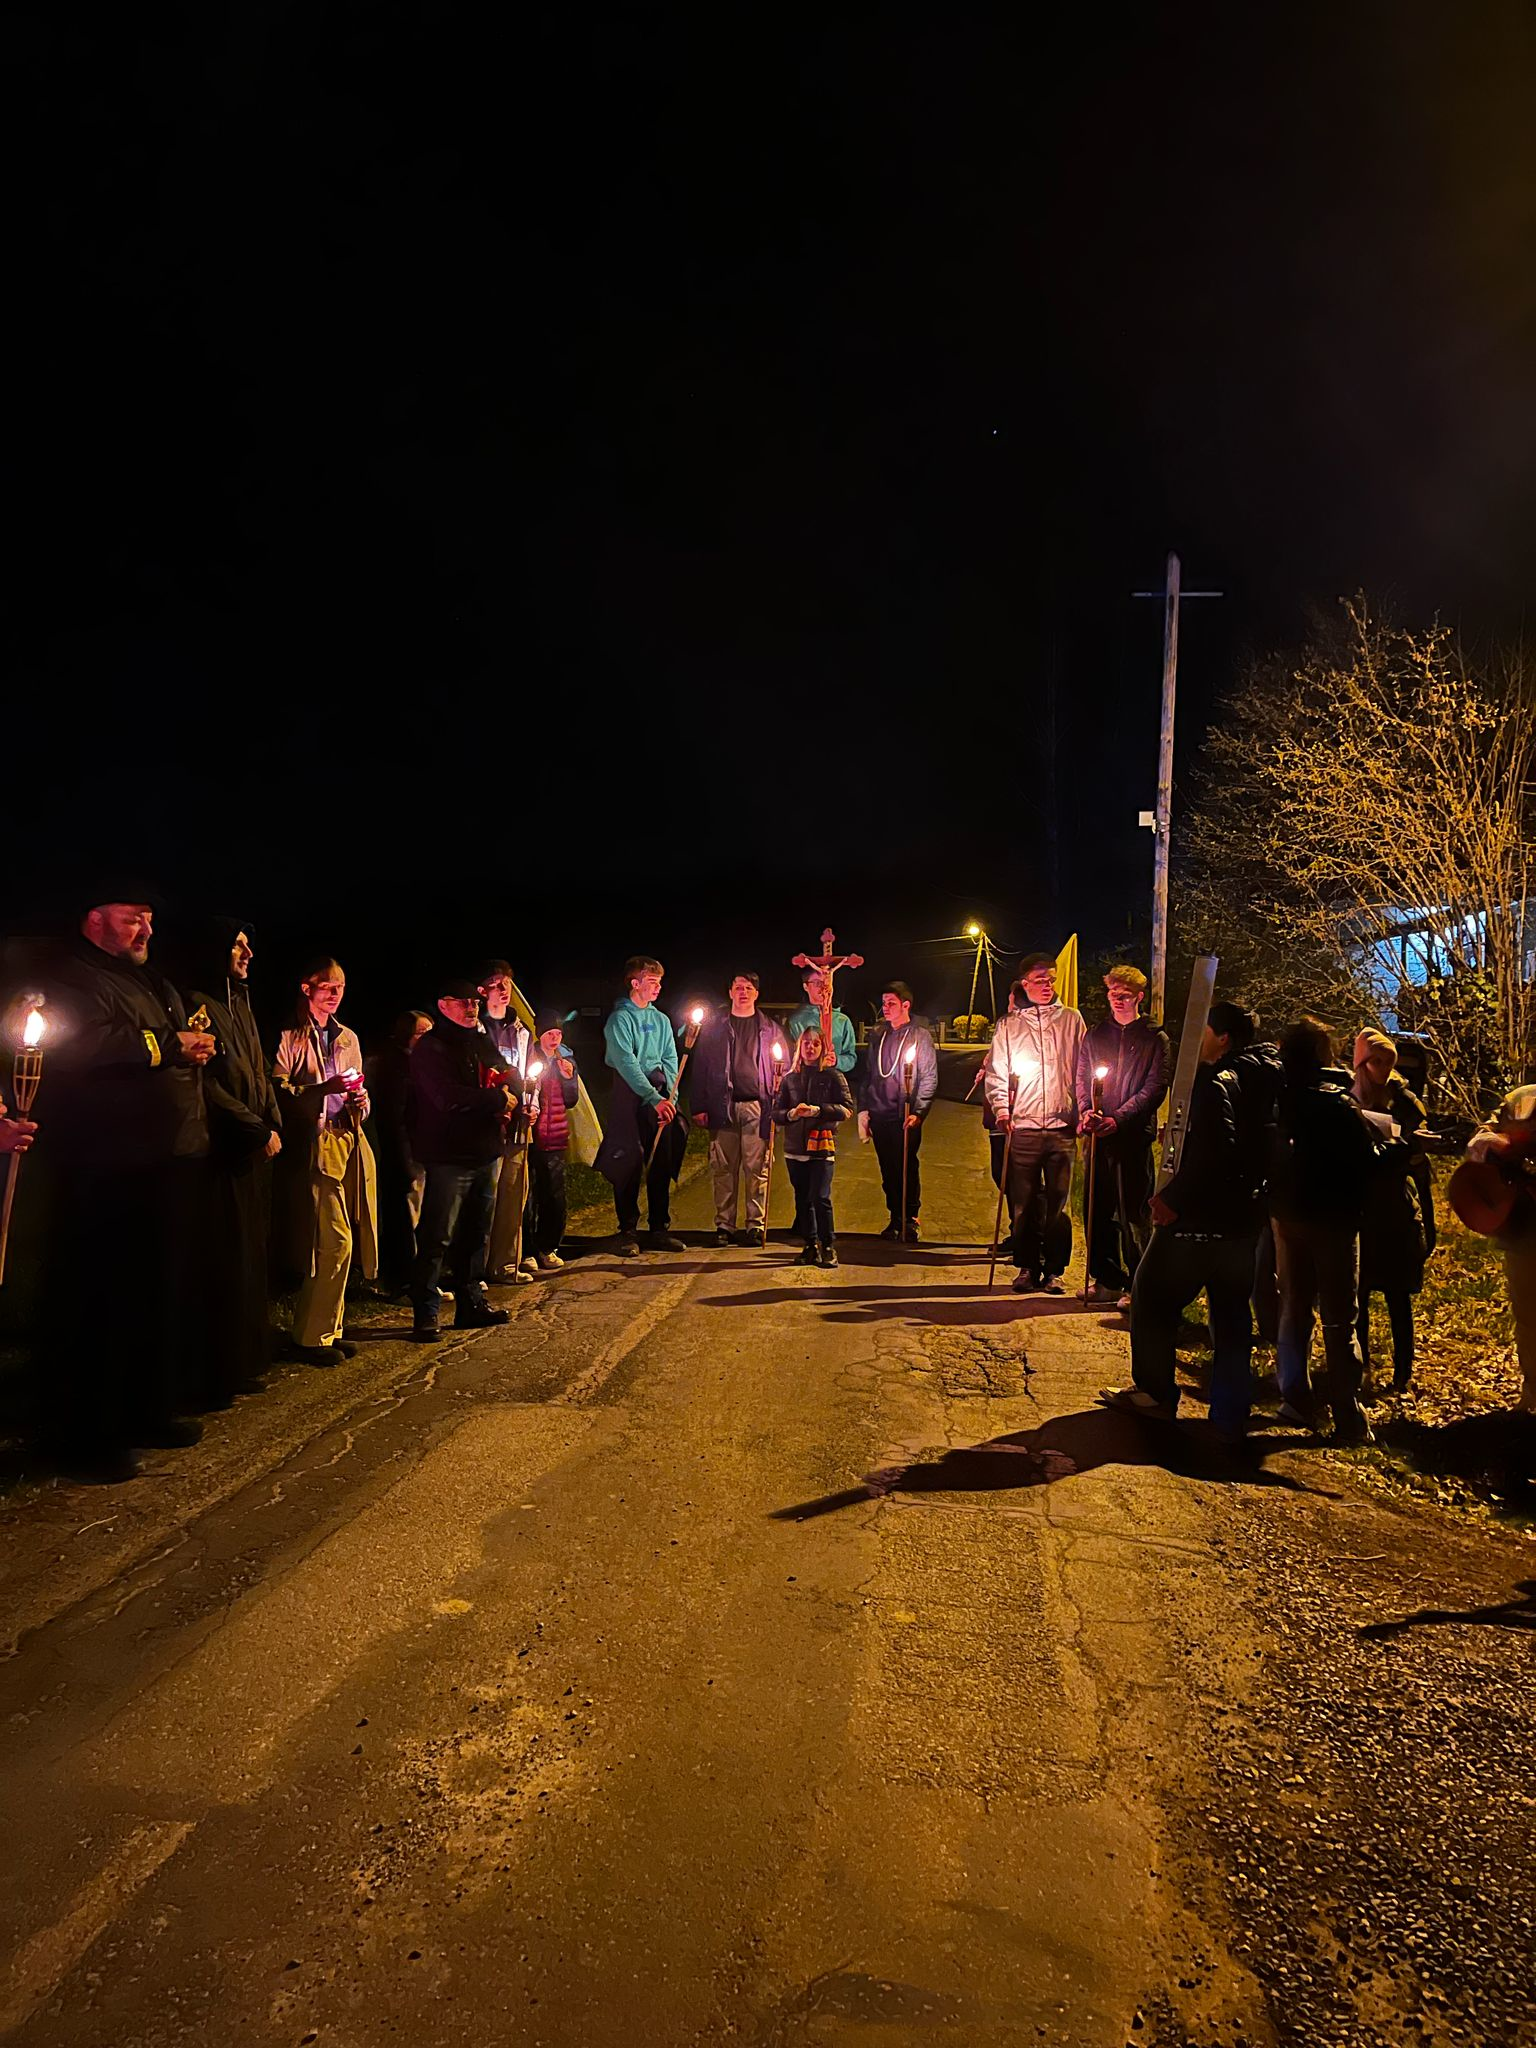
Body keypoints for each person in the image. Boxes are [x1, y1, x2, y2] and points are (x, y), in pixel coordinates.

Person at [32, 889, 215, 1481]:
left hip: (157, 1161)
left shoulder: (152, 981)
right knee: (100, 1299)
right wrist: (167, 1047)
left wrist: (191, 1047)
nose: (145, 931)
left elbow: (169, 1035)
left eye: (150, 920)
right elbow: (83, 1045)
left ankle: (147, 1409)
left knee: (152, 1292)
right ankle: (89, 1435)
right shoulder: (69, 976)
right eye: (133, 919)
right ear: (94, 919)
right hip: (100, 1165)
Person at [1100, 1002, 1262, 1443]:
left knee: (1150, 1293)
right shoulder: (1261, 1077)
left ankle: (1153, 1392)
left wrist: (1174, 1197)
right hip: (1245, 1221)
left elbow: (1217, 1149)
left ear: (1223, 1037)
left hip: (1200, 1218)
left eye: (1203, 1029)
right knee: (1230, 1313)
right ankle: (1231, 1410)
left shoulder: (1211, 1082)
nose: (1196, 1038)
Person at [184, 919, 284, 1404]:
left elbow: (257, 1068)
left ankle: (244, 1359)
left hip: (248, 1149)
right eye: (239, 944)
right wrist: (253, 1126)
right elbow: (207, 1082)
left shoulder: (239, 1002)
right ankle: (213, 1369)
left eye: (249, 943)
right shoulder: (196, 1002)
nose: (248, 952)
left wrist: (273, 1118)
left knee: (249, 1256)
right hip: (218, 1149)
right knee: (221, 1259)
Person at [1269, 1017, 1382, 1445]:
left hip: (1287, 1213)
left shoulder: (1279, 1098)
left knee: (1294, 1305)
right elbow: (1366, 1161)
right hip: (1333, 1220)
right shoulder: (1338, 1103)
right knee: (1339, 1315)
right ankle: (1347, 1413)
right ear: (1322, 1054)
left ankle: (1293, 1398)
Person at [273, 957, 378, 1366]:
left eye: (340, 987)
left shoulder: (347, 1037)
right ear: (307, 988)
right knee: (331, 1241)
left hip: (347, 1136)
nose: (334, 994)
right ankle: (310, 1335)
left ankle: (329, 1329)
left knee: (346, 1236)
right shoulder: (290, 1035)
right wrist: (322, 1090)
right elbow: (280, 1091)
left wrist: (360, 1102)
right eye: (327, 986)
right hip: (315, 1145)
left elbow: (358, 1088)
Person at [406, 978, 518, 1340]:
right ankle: (426, 1312)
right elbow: (446, 1097)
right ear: (443, 1005)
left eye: (474, 1001)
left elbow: (504, 1070)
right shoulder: (431, 1048)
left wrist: (511, 1084)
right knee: (438, 1234)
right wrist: (497, 1100)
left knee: (475, 1233)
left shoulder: (479, 1039)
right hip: (449, 1155)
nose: (471, 1007)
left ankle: (471, 1304)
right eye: (463, 1001)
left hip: (484, 1150)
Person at [985, 952, 1086, 1294]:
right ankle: (1027, 1267)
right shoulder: (1009, 1026)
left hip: (1061, 1127)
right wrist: (1002, 1109)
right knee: (1023, 1203)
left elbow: (1083, 1070)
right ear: (1025, 983)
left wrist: (1083, 1108)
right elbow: (997, 1071)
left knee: (1058, 1204)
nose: (1047, 986)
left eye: (1051, 980)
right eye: (1040, 980)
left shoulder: (1072, 1020)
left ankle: (1055, 1270)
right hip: (1023, 1125)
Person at [1075, 964, 1170, 1308]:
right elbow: (1082, 1076)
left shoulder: (1154, 1038)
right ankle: (1107, 1278)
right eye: (1112, 993)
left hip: (1132, 1138)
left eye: (1124, 995)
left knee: (1134, 1214)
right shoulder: (1096, 1035)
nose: (1117, 1000)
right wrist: (1087, 1111)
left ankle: (1139, 1285)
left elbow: (1155, 1088)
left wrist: (1120, 1118)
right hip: (1098, 1138)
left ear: (1139, 997)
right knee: (1097, 1211)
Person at [1351, 1029, 1428, 1394]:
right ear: (1361, 1063)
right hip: (1363, 1207)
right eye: (1375, 1061)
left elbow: (1421, 1163)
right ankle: (1360, 1367)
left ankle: (1402, 1372)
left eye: (1388, 1062)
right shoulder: (1348, 1099)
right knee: (1359, 1294)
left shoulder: (1404, 1101)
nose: (1382, 1069)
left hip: (1397, 1206)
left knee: (1398, 1296)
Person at [594, 956, 686, 1255]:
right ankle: (628, 1229)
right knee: (629, 1161)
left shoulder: (660, 1019)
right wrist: (651, 1097)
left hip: (660, 1096)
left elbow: (671, 1057)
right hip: (631, 1094)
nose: (658, 987)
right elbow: (626, 1061)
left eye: (660, 982)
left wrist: (669, 1095)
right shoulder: (620, 1019)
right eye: (652, 981)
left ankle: (659, 1228)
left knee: (661, 1159)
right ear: (635, 983)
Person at [689, 972, 782, 1246]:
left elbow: (783, 1068)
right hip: (723, 1107)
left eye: (749, 987)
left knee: (757, 1169)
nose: (743, 992)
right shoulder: (715, 1028)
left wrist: (779, 1101)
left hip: (757, 1106)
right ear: (730, 992)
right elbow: (700, 1069)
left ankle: (755, 1224)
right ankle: (725, 1225)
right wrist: (699, 1105)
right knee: (723, 1169)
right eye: (738, 987)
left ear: (756, 993)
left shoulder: (770, 1029)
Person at [1465, 1085, 1536, 1413]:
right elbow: (1487, 1133)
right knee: (1528, 1314)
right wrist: (1489, 1141)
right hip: (1526, 1227)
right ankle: (1533, 1390)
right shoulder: (1524, 1099)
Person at [859, 980, 938, 1240]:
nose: (886, 1008)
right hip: (881, 1114)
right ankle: (894, 1216)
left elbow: (928, 1076)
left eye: (891, 1003)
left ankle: (910, 1218)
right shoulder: (879, 1035)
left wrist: (920, 1111)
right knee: (888, 1169)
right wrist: (865, 1109)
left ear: (906, 1005)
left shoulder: (919, 1036)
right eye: (884, 1003)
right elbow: (870, 1074)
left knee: (906, 1167)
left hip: (905, 1116)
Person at [773, 1026, 855, 1267]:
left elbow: (847, 1109)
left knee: (820, 1197)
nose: (810, 1047)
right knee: (802, 1199)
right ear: (800, 1047)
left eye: (815, 1043)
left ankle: (828, 1245)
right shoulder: (790, 1079)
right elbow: (775, 1112)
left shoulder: (833, 1076)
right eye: (806, 1043)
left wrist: (819, 1111)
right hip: (794, 1147)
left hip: (821, 1146)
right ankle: (809, 1245)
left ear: (822, 1048)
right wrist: (791, 1114)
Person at [365, 1010, 433, 1296]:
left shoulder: (423, 1063)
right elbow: (395, 1118)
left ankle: (418, 1277)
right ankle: (403, 1280)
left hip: (423, 1150)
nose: (428, 1039)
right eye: (421, 1033)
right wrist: (405, 1160)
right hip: (405, 1154)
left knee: (421, 1217)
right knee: (405, 1218)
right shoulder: (396, 1067)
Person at [478, 959, 534, 1285]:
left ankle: (506, 1262)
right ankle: (477, 1266)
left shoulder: (521, 1031)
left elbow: (530, 1073)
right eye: (496, 986)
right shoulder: (477, 1030)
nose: (503, 992)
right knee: (487, 1195)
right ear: (482, 991)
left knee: (515, 1191)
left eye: (507, 986)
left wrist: (532, 1105)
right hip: (488, 1121)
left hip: (518, 1122)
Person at [525, 1009, 580, 1269]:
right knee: (528, 1197)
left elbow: (571, 1101)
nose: (555, 1038)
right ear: (540, 1035)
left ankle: (549, 1246)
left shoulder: (565, 1061)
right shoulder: (528, 1058)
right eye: (550, 1033)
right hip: (530, 1137)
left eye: (558, 1033)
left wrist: (569, 1079)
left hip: (555, 1137)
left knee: (554, 1195)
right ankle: (526, 1250)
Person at [784, 968, 857, 1075]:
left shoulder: (842, 1021)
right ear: (806, 986)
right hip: (804, 1080)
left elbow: (851, 1058)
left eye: (826, 983)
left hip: (834, 1080)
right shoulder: (795, 1021)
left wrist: (836, 1061)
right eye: (818, 983)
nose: (823, 988)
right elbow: (787, 1056)